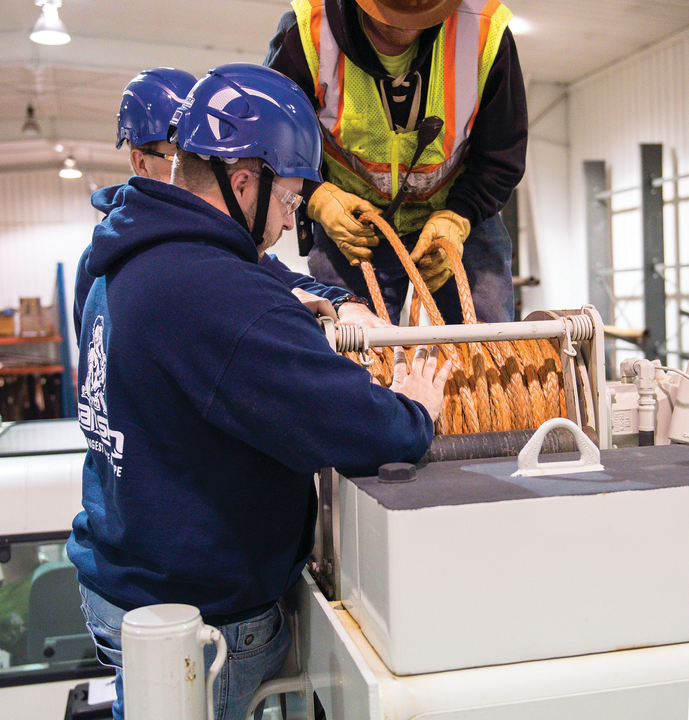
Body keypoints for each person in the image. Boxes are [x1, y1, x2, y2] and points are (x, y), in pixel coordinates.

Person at [67, 62, 450, 720]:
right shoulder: (215, 293)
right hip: (206, 620)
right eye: (290, 202)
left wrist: (331, 304)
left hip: (124, 573)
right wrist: (415, 409)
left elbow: (253, 289)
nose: (285, 221)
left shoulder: (129, 246)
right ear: (244, 180)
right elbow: (361, 429)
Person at [74, 67, 387, 341]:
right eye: (178, 153)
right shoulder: (112, 265)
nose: (194, 161)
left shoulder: (209, 245)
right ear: (141, 164)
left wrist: (344, 303)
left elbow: (278, 276)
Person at [265, 0, 528, 325]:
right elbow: (272, 138)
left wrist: (459, 218)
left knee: (488, 347)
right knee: (352, 346)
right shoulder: (308, 30)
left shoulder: (485, 31)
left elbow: (501, 154)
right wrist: (316, 196)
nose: (404, 27)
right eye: (389, 18)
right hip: (351, 226)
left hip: (458, 212)